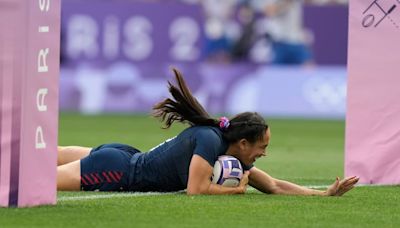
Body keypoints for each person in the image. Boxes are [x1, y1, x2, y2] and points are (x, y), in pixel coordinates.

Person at [57, 68, 359, 195]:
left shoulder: (231, 155)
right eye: (261, 146)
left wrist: (322, 195)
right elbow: (195, 190)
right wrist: (235, 190)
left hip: (126, 156)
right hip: (118, 173)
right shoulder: (209, 139)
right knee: (35, 179)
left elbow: (275, 186)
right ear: (242, 142)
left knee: (43, 155)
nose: (264, 153)